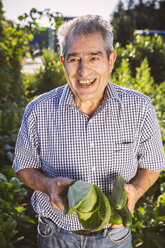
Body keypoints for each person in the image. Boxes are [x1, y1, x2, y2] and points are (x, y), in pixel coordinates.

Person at [12, 15, 165, 248]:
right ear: (63, 62)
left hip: (115, 236)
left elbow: (152, 163)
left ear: (110, 60)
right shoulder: (39, 110)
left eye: (94, 57)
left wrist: (136, 189)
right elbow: (24, 165)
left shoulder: (139, 108)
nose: (83, 71)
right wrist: (48, 185)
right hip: (56, 233)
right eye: (74, 59)